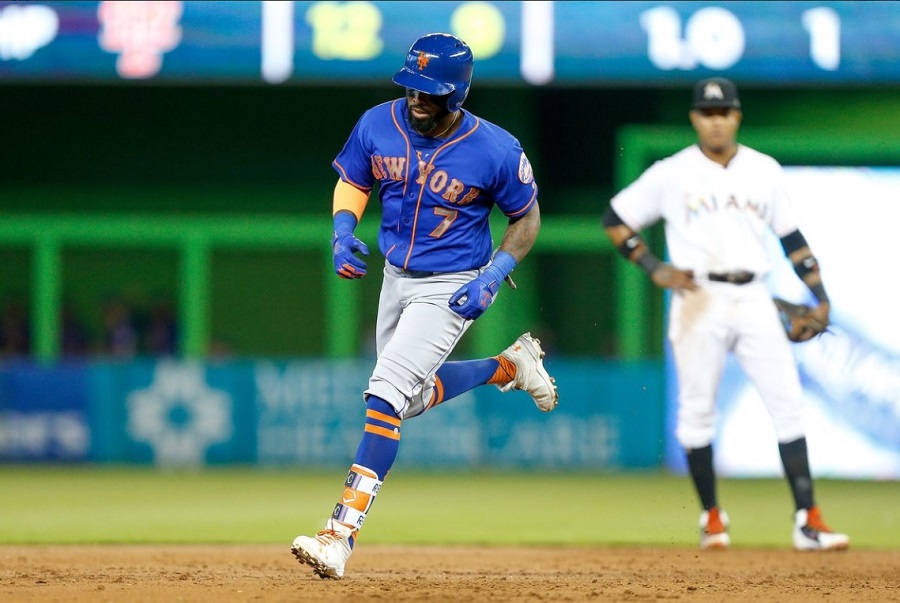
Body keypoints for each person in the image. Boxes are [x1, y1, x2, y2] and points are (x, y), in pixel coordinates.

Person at [290, 32, 559, 579]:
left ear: (457, 94)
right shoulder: (377, 122)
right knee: (404, 401)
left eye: (429, 91)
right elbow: (353, 180)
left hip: (454, 285)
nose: (416, 98)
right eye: (412, 85)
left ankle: (337, 537)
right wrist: (342, 231)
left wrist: (496, 272)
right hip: (396, 278)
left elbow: (526, 217)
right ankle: (508, 367)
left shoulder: (495, 149)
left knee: (384, 397)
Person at [601, 77, 849, 552]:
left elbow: (792, 240)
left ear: (737, 116)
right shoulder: (671, 172)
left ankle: (808, 521)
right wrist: (652, 266)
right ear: (695, 118)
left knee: (788, 405)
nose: (716, 120)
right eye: (707, 113)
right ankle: (712, 518)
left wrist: (819, 295)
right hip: (699, 298)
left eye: (724, 112)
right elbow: (615, 219)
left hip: (756, 295)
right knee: (697, 412)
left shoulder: (764, 170)